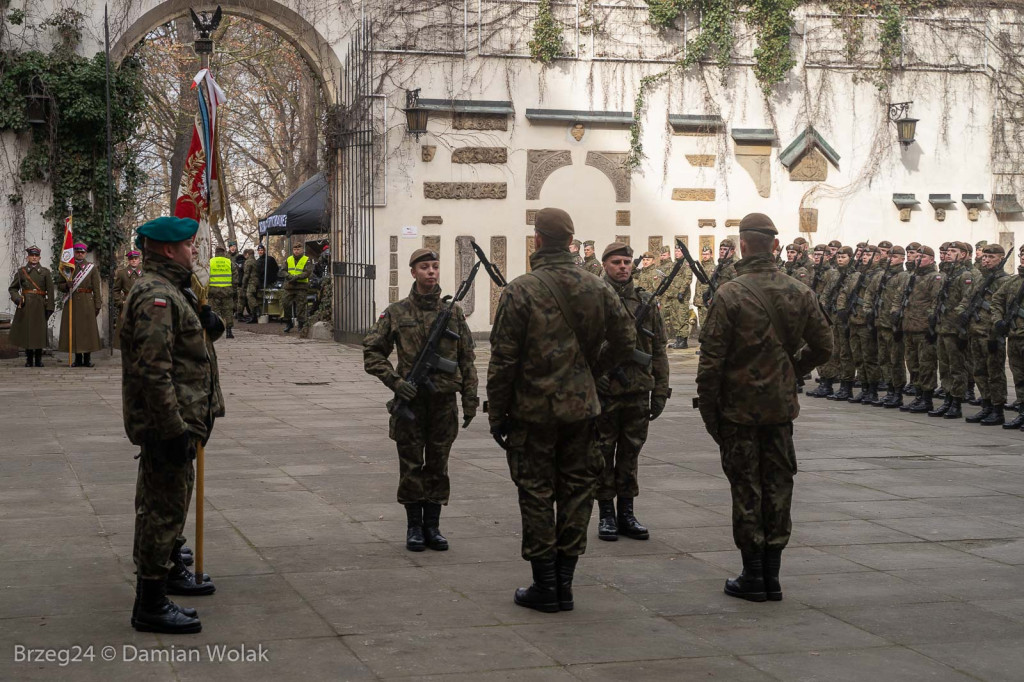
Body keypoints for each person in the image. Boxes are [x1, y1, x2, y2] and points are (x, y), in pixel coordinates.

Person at [488, 208, 634, 613]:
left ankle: (545, 585)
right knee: (576, 491)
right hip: (583, 411)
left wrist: (496, 413)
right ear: (570, 243)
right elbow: (626, 339)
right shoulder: (597, 287)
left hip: (532, 412)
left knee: (536, 493)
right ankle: (565, 584)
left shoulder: (520, 290)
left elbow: (503, 360)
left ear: (537, 241)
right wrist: (592, 372)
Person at [695, 212, 831, 602]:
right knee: (778, 486)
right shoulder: (799, 291)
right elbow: (825, 346)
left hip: (738, 409)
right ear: (774, 245)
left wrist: (709, 411)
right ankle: (772, 575)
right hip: (779, 408)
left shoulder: (730, 294)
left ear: (742, 245)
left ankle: (753, 574)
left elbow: (711, 362)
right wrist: (791, 369)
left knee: (746, 488)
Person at [121, 216, 225, 634]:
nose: (193, 249)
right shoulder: (155, 297)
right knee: (163, 510)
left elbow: (185, 348)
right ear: (168, 249)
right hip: (171, 423)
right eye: (188, 244)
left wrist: (205, 318)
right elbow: (154, 369)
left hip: (183, 417)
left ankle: (162, 577)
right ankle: (150, 603)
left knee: (167, 504)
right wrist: (173, 428)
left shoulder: (172, 291)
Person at [363, 248, 477, 552]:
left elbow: (466, 359)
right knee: (411, 464)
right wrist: (396, 383)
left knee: (438, 465)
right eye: (424, 267)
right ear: (413, 272)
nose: (431, 272)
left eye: (435, 267)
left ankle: (433, 526)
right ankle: (414, 527)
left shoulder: (452, 313)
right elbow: (372, 352)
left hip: (442, 403)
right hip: (411, 404)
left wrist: (470, 400)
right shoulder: (397, 312)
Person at [593, 242, 670, 542]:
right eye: (616, 262)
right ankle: (606, 515)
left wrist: (660, 391)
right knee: (602, 452)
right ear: (604, 265)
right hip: (605, 391)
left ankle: (626, 512)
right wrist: (592, 375)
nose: (623, 267)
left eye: (627, 262)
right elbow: (576, 345)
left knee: (630, 453)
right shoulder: (592, 300)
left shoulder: (646, 302)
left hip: (637, 390)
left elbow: (658, 350)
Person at [958, 244, 1010, 424]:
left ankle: (997, 409)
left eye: (991, 257)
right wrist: (962, 313)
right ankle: (986, 405)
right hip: (975, 332)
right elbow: (967, 300)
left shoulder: (1005, 281)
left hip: (991, 334)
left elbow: (1003, 309)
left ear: (1001, 259)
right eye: (984, 257)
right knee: (979, 372)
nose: (986, 260)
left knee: (994, 373)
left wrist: (997, 334)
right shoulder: (980, 279)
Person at [898, 245, 943, 413]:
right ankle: (918, 396)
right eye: (916, 257)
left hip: (924, 329)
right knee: (913, 364)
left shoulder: (935, 277)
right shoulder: (912, 277)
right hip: (909, 327)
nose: (918, 260)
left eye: (922, 257)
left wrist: (931, 325)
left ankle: (927, 398)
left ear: (931, 260)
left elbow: (935, 302)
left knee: (926, 365)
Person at [929, 242, 972, 418]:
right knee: (944, 367)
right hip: (942, 327)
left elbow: (967, 300)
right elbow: (936, 299)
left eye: (954, 251)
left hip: (955, 329)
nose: (949, 254)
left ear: (962, 255)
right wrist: (932, 317)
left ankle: (956, 402)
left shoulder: (965, 275)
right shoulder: (945, 275)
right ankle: (947, 399)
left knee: (957, 368)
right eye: (948, 251)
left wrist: (961, 326)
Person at [993, 244, 1024, 429]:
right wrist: (998, 321)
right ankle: (1022, 412)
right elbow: (996, 300)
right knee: (1019, 377)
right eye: (1022, 254)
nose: (1023, 257)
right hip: (1014, 337)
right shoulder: (1013, 282)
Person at [57, 243, 103, 367]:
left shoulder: (91, 268)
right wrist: (66, 285)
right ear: (74, 253)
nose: (80, 254)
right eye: (77, 252)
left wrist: (97, 304)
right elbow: (59, 285)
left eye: (82, 252)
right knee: (75, 330)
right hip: (72, 301)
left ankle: (87, 359)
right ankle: (77, 359)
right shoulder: (68, 268)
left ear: (85, 253)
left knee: (87, 331)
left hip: (87, 301)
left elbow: (96, 288)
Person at [8, 245, 54, 367]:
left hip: (40, 305)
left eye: (36, 256)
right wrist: (17, 299)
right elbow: (13, 288)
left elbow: (50, 290)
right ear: (28, 257)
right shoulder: (21, 271)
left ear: (39, 258)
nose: (34, 258)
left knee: (39, 332)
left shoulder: (45, 272)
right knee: (27, 332)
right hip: (26, 305)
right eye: (31, 255)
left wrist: (50, 307)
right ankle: (29, 359)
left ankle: (38, 359)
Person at [876, 246, 908, 407]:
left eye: (894, 257)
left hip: (893, 325)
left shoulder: (903, 276)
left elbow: (900, 298)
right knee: (884, 359)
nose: (890, 259)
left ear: (902, 259)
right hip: (881, 323)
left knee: (895, 361)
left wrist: (897, 322)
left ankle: (897, 392)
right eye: (889, 257)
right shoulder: (885, 275)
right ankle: (889, 389)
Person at [662, 243, 694, 349]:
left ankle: (683, 341)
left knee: (682, 318)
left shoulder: (686, 263)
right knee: (674, 319)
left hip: (681, 296)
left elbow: (688, 279)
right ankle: (678, 340)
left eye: (679, 251)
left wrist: (681, 292)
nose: (677, 253)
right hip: (672, 295)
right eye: (675, 251)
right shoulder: (673, 264)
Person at [282, 243, 312, 333]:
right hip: (289, 286)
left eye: (298, 249)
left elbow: (307, 272)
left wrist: (297, 277)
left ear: (302, 250)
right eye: (295, 249)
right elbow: (283, 270)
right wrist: (288, 276)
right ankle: (288, 322)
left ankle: (301, 324)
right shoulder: (288, 259)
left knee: (301, 306)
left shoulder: (306, 260)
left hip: (301, 286)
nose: (296, 251)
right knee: (285, 303)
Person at [208, 246, 236, 339]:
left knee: (215, 310)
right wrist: (234, 290)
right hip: (227, 290)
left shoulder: (210, 262)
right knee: (228, 310)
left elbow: (205, 276)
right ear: (224, 253)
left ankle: (216, 330)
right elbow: (235, 278)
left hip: (213, 291)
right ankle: (229, 331)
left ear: (215, 253)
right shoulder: (229, 262)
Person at [245, 244, 277, 322]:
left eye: (261, 250)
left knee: (268, 299)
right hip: (261, 282)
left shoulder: (270, 259)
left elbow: (276, 269)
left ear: (264, 251)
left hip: (269, 282)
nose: (260, 252)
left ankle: (267, 313)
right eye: (259, 250)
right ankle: (257, 313)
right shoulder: (257, 261)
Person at [694, 245, 714, 329]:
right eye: (703, 254)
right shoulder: (701, 267)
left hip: (707, 300)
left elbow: (712, 285)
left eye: (706, 254)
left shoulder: (713, 268)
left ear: (711, 255)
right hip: (699, 300)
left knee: (708, 324)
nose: (704, 256)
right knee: (702, 325)